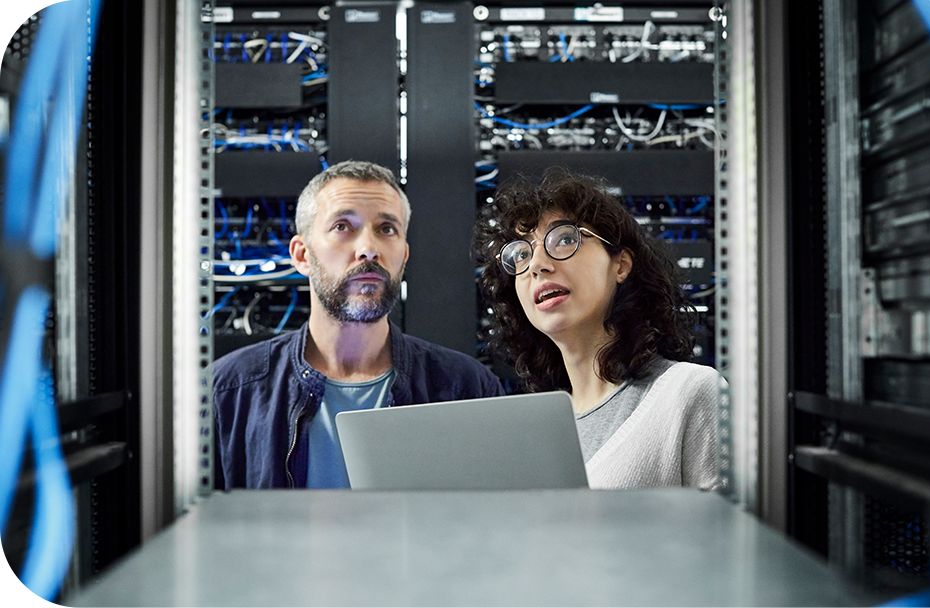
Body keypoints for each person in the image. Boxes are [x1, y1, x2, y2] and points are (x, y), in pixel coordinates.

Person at [214, 160, 505, 489]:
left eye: (386, 229)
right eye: (342, 226)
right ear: (301, 255)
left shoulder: (467, 391)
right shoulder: (228, 392)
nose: (368, 249)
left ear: (404, 255)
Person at [473, 168, 724, 490]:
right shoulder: (532, 431)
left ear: (620, 265)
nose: (537, 264)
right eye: (521, 254)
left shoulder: (688, 392)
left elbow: (731, 537)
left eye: (564, 239)